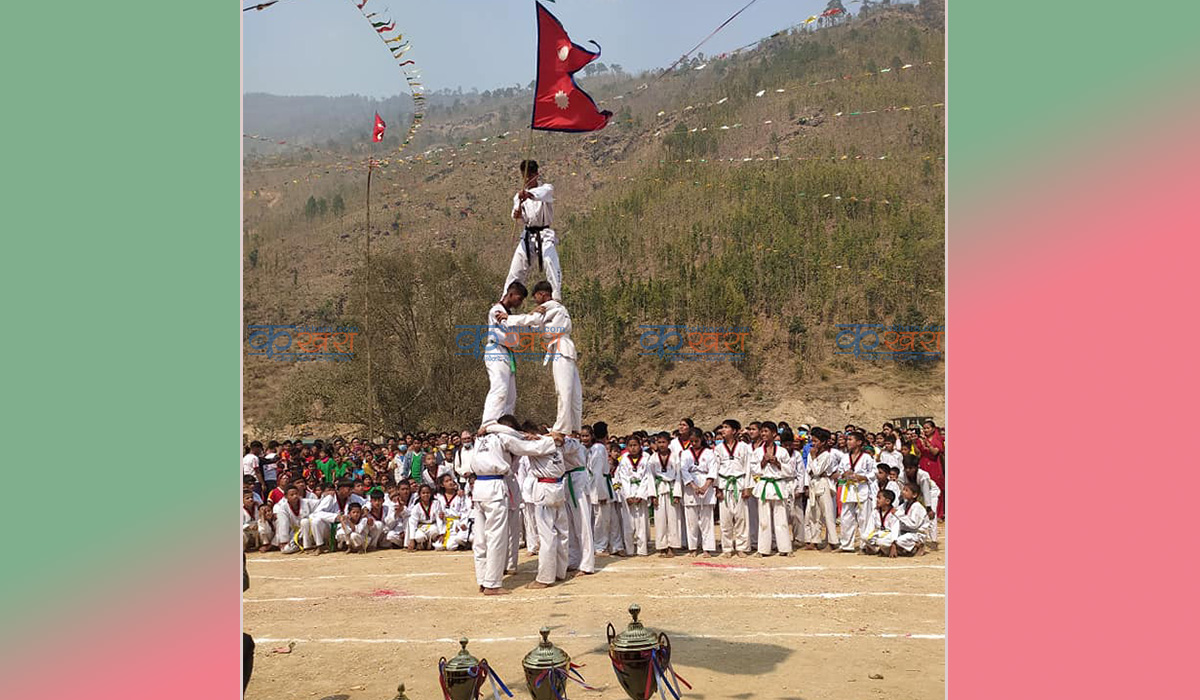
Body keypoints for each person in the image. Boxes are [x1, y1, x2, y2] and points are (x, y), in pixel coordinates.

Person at [472, 415, 559, 595]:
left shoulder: (480, 439)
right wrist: (551, 440)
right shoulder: (504, 438)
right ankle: (492, 584)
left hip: (478, 487)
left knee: (480, 538)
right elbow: (528, 448)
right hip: (494, 487)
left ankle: (482, 579)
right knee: (496, 536)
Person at [498, 281, 582, 433]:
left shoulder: (551, 305)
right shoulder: (554, 310)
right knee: (573, 393)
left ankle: (562, 428)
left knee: (564, 390)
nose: (535, 301)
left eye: (536, 297)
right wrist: (532, 317)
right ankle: (574, 427)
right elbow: (534, 325)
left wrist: (508, 318)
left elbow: (532, 321)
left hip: (561, 348)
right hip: (565, 348)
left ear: (543, 295)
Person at [503, 160, 562, 301]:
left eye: (529, 177)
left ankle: (556, 298)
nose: (527, 180)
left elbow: (541, 193)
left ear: (536, 175)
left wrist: (528, 195)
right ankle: (505, 299)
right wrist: (517, 215)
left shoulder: (546, 189)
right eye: (524, 177)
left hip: (544, 234)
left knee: (550, 262)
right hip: (528, 235)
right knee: (516, 269)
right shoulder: (518, 196)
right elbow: (517, 215)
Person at [525, 426, 571, 589]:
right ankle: (560, 571)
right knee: (561, 531)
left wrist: (533, 437)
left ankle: (545, 577)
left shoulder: (538, 445)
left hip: (545, 490)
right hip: (558, 488)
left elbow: (517, 444)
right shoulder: (556, 443)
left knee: (547, 535)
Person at [481, 282, 529, 427]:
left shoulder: (509, 314)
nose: (520, 303)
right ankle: (489, 422)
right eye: (519, 299)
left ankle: (505, 424)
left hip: (507, 353)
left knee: (511, 395)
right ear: (511, 295)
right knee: (500, 387)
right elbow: (508, 330)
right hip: (496, 350)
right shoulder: (497, 310)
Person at [751, 422, 793, 557]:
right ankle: (763, 549)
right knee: (764, 520)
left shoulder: (782, 451)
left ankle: (785, 548)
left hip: (778, 485)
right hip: (764, 485)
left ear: (774, 434)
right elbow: (754, 470)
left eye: (766, 431)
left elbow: (791, 471)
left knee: (781, 519)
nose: (763, 434)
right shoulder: (757, 452)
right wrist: (763, 462)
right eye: (762, 431)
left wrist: (777, 462)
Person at [713, 419, 752, 557]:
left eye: (726, 428)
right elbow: (715, 469)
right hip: (724, 485)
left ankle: (741, 547)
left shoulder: (744, 447)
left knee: (741, 518)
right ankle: (727, 548)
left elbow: (748, 467)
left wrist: (747, 487)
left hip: (740, 484)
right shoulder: (718, 449)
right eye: (722, 427)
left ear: (734, 431)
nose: (723, 430)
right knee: (725, 520)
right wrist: (717, 488)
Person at [679, 427, 718, 557]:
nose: (694, 443)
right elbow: (683, 470)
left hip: (706, 482)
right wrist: (693, 486)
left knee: (706, 519)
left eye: (696, 441)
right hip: (691, 486)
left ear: (701, 439)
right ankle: (693, 548)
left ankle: (707, 548)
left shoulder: (709, 452)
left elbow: (713, 470)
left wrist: (706, 486)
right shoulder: (685, 454)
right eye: (692, 441)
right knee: (692, 521)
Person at [559, 433, 594, 575]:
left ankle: (587, 564)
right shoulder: (561, 440)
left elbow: (562, 447)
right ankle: (573, 559)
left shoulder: (572, 442)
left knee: (583, 524)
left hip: (578, 480)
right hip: (567, 480)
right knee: (570, 524)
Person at [585, 423, 621, 556]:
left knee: (612, 519)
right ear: (606, 434)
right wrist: (601, 494)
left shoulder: (597, 448)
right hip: (601, 487)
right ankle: (600, 546)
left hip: (605, 485)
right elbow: (597, 473)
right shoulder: (599, 449)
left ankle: (616, 545)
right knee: (602, 520)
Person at [837, 431, 876, 552]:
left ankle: (865, 545)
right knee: (846, 518)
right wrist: (844, 474)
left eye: (850, 440)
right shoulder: (844, 457)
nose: (847, 442)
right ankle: (846, 545)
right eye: (847, 440)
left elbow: (874, 473)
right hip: (848, 489)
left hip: (862, 489)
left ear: (859, 442)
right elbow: (839, 474)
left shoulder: (867, 457)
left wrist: (863, 477)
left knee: (864, 518)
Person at [308, 479, 367, 555]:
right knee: (316, 521)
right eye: (348, 489)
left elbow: (366, 502)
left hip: (344, 527)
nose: (350, 491)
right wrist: (335, 517)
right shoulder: (330, 498)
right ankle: (320, 546)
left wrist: (366, 508)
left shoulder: (351, 496)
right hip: (329, 527)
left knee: (348, 532)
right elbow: (317, 513)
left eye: (351, 489)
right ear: (341, 489)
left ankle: (345, 546)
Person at [616, 434, 653, 556]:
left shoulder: (646, 458)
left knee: (641, 522)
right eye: (630, 446)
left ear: (640, 445)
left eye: (635, 445)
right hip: (629, 491)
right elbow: (623, 478)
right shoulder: (624, 460)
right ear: (627, 447)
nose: (633, 448)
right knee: (628, 523)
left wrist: (641, 494)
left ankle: (642, 549)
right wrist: (628, 495)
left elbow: (647, 478)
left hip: (641, 491)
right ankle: (630, 549)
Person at [804, 427, 840, 551]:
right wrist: (807, 485)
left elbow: (817, 471)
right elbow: (808, 470)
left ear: (823, 442)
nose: (813, 443)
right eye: (812, 441)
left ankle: (832, 542)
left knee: (828, 515)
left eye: (816, 441)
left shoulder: (826, 455)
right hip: (813, 483)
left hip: (824, 484)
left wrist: (814, 458)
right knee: (813, 514)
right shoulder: (811, 453)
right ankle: (814, 541)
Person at [648, 432, 682, 557]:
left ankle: (672, 546)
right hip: (659, 489)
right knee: (660, 519)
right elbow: (650, 476)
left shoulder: (674, 456)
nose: (661, 445)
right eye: (659, 442)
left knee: (673, 518)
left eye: (664, 442)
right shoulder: (653, 458)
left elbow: (679, 475)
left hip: (672, 487)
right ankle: (662, 546)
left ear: (668, 443)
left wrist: (677, 493)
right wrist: (653, 495)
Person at [900, 453, 942, 549]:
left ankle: (934, 540)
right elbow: (902, 492)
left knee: (931, 515)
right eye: (906, 468)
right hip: (914, 494)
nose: (908, 470)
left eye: (911, 468)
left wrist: (928, 507)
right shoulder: (902, 476)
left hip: (931, 493)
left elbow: (926, 491)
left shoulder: (923, 475)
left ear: (916, 467)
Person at [272, 484, 315, 554]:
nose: (295, 496)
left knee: (305, 521)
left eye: (296, 494)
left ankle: (308, 546)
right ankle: (299, 544)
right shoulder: (283, 508)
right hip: (296, 533)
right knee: (285, 550)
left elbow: (320, 505)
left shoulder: (307, 502)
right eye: (292, 495)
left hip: (310, 530)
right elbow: (283, 525)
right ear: (286, 497)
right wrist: (284, 540)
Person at [915, 420, 945, 520]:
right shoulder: (921, 440)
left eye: (928, 428)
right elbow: (918, 453)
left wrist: (927, 443)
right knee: (924, 487)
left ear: (933, 429)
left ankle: (939, 513)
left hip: (934, 465)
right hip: (924, 464)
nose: (926, 430)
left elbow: (935, 452)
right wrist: (914, 442)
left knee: (937, 489)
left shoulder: (937, 440)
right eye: (924, 428)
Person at [436, 475, 473, 551]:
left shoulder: (460, 495)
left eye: (451, 480)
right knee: (438, 547)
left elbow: (464, 511)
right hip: (446, 523)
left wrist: (462, 524)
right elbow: (439, 515)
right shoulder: (439, 497)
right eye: (447, 481)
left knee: (451, 547)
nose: (450, 482)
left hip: (458, 523)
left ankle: (464, 544)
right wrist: (441, 533)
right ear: (442, 485)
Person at [895, 482, 931, 555]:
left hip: (917, 533)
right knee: (890, 538)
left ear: (914, 495)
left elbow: (913, 525)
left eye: (906, 490)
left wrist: (898, 514)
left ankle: (918, 545)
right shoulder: (905, 505)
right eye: (903, 490)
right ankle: (908, 549)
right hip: (907, 531)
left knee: (899, 541)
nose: (903, 492)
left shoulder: (917, 507)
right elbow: (896, 512)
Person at [862, 489, 901, 557]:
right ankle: (877, 550)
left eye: (879, 498)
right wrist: (868, 541)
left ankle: (888, 550)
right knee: (864, 536)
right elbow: (870, 527)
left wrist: (894, 543)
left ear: (887, 501)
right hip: (879, 533)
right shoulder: (875, 511)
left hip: (889, 535)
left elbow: (895, 530)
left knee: (881, 542)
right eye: (877, 497)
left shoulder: (893, 513)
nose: (877, 500)